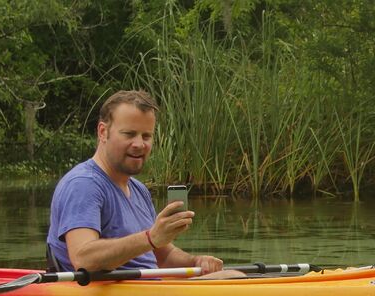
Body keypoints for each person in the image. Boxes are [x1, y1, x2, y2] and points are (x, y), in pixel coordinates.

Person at [46, 90, 242, 278]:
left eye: (146, 136)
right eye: (129, 134)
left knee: (235, 277)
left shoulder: (138, 189)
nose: (140, 144)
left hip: (146, 294)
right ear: (103, 132)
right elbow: (83, 259)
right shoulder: (83, 185)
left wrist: (195, 262)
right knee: (235, 278)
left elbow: (162, 256)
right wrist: (150, 238)